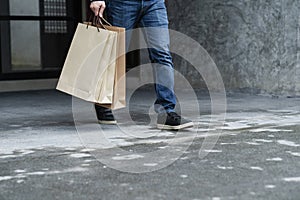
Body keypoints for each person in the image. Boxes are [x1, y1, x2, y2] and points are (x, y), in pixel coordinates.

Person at [90, 0, 193, 130]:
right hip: (121, 3)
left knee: (162, 54)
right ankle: (103, 103)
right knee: (116, 55)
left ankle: (166, 111)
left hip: (154, 3)